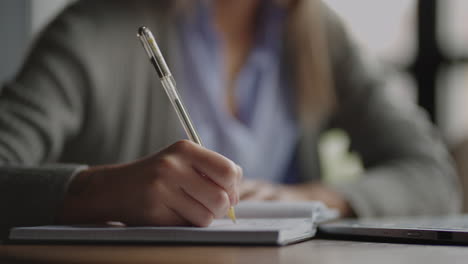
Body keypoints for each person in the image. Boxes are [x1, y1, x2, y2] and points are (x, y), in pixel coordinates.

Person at [0, 0, 461, 240]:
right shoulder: (91, 32)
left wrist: (314, 197)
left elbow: (432, 172)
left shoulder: (316, 31)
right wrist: (102, 191)